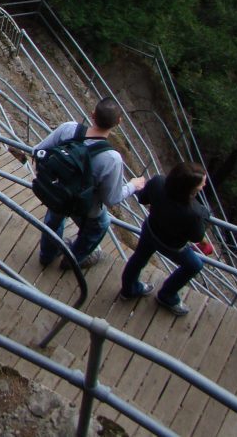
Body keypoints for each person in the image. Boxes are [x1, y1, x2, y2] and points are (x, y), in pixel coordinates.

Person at [35, 97, 146, 269]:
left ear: (92, 114)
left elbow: (38, 151)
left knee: (54, 218)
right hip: (86, 206)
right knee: (100, 226)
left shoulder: (68, 129)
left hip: (59, 191)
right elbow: (112, 198)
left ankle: (47, 254)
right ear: (119, 122)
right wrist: (133, 185)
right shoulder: (112, 158)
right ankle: (73, 260)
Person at [119, 161, 212, 316]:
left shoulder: (158, 182)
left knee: (139, 258)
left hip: (150, 230)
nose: (203, 186)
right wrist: (205, 216)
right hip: (171, 245)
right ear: (189, 187)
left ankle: (129, 289)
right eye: (201, 184)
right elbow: (196, 236)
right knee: (194, 265)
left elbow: (143, 198)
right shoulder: (195, 213)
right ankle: (167, 295)